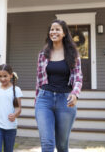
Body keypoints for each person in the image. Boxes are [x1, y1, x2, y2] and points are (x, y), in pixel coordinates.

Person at [35, 19, 83, 152]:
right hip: (44, 99)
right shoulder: (43, 55)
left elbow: (78, 77)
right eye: (51, 29)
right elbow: (39, 81)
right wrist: (36, 101)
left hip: (65, 101)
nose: (53, 32)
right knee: (47, 143)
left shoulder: (73, 55)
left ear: (64, 33)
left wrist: (75, 94)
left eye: (57, 29)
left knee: (62, 145)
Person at [0, 64, 23, 152]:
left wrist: (15, 115)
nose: (2, 79)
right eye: (0, 76)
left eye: (5, 76)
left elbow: (19, 108)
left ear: (11, 75)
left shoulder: (16, 90)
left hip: (10, 127)